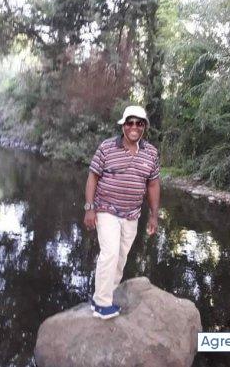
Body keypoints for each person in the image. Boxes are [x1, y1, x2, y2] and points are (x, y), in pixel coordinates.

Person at [83, 105, 161, 319]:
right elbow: (93, 177)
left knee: (121, 257)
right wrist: (89, 208)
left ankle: (103, 295)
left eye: (139, 123)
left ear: (144, 127)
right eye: (130, 122)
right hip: (106, 209)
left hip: (132, 214)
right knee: (109, 253)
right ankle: (102, 304)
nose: (134, 127)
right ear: (123, 125)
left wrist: (154, 215)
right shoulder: (107, 147)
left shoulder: (151, 153)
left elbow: (153, 184)